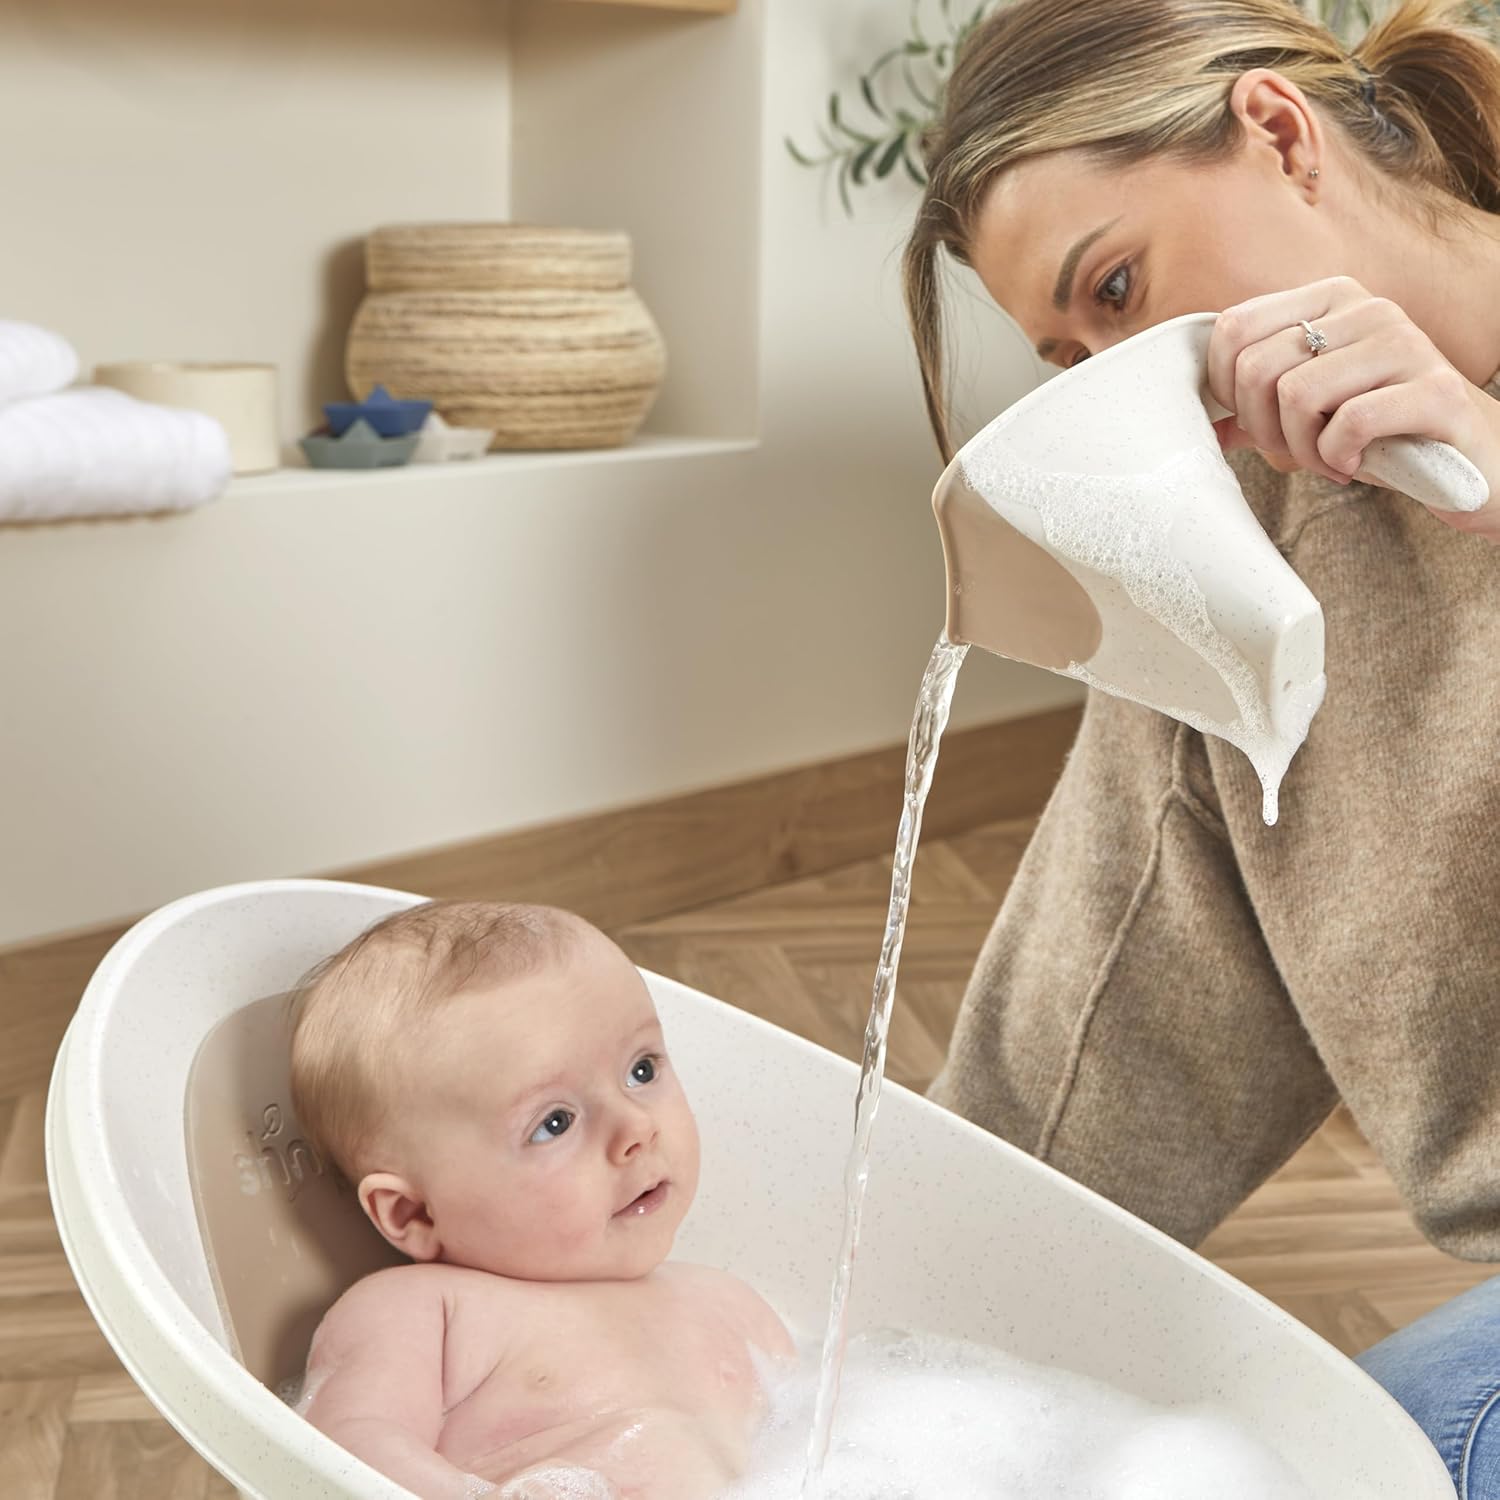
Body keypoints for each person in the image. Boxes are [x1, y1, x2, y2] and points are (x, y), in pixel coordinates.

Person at [901, 0, 1500, 1491]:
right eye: (1072, 357)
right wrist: (874, 1343)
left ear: (1281, 137)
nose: (1120, 376)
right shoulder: (1253, 552)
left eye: (1119, 289)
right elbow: (1086, 1038)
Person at [285, 900, 793, 1500]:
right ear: (413, 1214)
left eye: (642, 1069)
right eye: (555, 1122)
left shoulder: (725, 1302)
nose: (636, 1128)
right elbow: (345, 1448)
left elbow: (825, 1435)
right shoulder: (426, 1311)